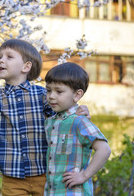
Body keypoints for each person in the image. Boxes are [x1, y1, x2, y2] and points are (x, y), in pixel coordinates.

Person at [0, 39, 89, 195]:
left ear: (26, 66)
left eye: (9, 57)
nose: (1, 60)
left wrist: (82, 111)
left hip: (46, 175)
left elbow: (65, 118)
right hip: (12, 178)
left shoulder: (43, 95)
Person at [44, 62, 111, 195]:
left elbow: (104, 149)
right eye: (48, 90)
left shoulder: (79, 121)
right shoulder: (50, 122)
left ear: (77, 95)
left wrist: (84, 175)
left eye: (59, 91)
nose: (51, 96)